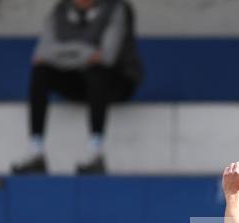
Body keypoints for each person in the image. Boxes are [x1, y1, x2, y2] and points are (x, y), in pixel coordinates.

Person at [11, 0, 143, 175]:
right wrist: (86, 53)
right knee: (41, 72)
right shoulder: (60, 11)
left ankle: (95, 151)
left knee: (97, 71)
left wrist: (62, 54)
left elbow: (107, 56)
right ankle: (36, 151)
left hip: (117, 82)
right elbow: (41, 54)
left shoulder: (117, 8)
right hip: (81, 81)